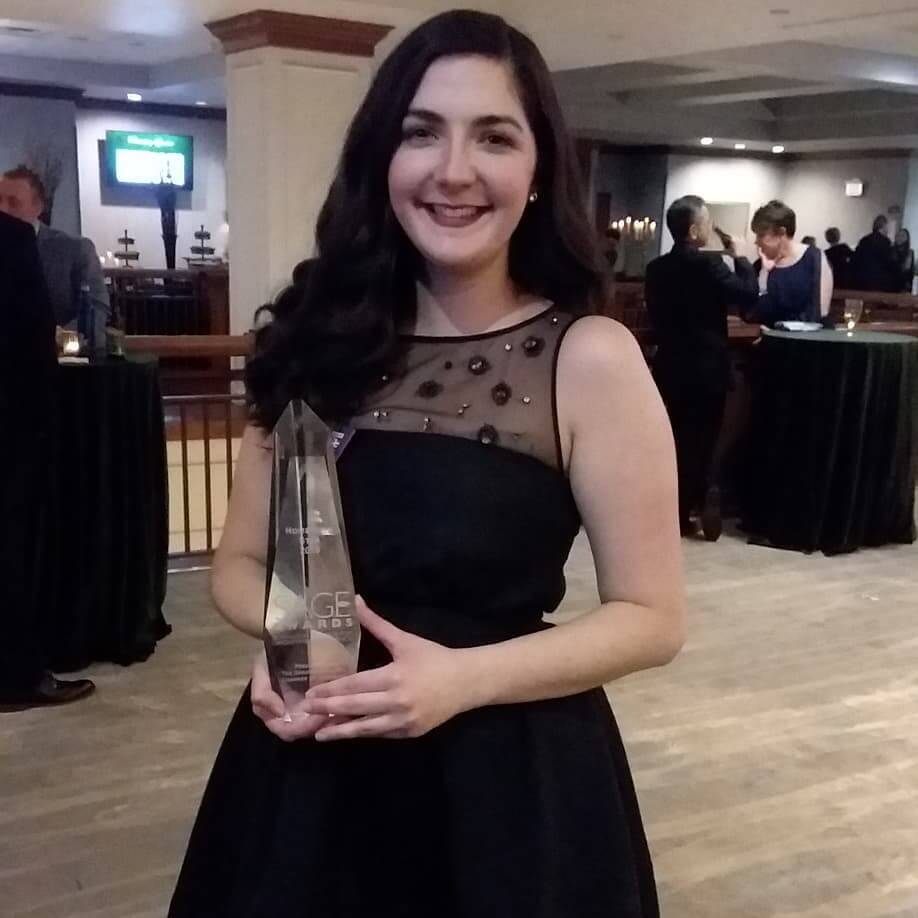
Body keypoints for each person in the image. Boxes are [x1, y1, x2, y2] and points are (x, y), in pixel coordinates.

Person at [169, 10, 685, 918]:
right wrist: (297, 644)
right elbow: (244, 563)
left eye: (494, 136)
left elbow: (651, 618)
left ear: (538, 170)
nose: (454, 171)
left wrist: (462, 678)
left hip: (506, 778)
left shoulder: (587, 356)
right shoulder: (311, 339)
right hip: (315, 762)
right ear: (382, 159)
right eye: (421, 133)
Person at [0, 211, 96, 710]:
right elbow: (33, 337)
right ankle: (16, 676)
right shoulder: (13, 240)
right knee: (11, 548)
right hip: (12, 427)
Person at [645, 195, 758, 541]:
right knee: (704, 442)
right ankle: (695, 505)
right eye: (706, 221)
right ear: (694, 230)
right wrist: (741, 257)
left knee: (674, 440)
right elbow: (748, 295)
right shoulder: (710, 266)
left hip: (670, 365)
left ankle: (673, 512)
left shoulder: (656, 269)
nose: (710, 226)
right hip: (707, 368)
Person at [0, 165, 110, 346]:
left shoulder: (75, 250)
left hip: (57, 364)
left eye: (13, 202)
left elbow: (96, 311)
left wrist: (57, 340)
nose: (2, 210)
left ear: (38, 208)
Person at [744, 200, 833, 326]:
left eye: (761, 235)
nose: (756, 242)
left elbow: (820, 311)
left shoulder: (814, 258)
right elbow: (756, 313)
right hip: (775, 339)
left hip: (810, 339)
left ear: (781, 233)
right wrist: (765, 272)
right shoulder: (761, 264)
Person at [851, 214, 898, 292]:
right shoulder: (885, 242)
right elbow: (889, 262)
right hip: (879, 282)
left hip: (862, 281)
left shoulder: (864, 240)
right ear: (883, 226)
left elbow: (856, 259)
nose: (888, 230)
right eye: (887, 227)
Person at [893, 228, 915, 293]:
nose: (899, 237)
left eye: (902, 236)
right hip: (891, 285)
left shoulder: (910, 253)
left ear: (906, 239)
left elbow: (910, 273)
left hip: (904, 287)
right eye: (898, 235)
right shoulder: (891, 250)